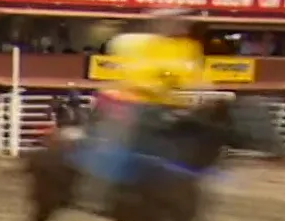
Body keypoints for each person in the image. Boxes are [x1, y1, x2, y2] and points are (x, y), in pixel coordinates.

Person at [81, 11, 205, 210]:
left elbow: (194, 79)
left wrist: (196, 96)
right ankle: (94, 193)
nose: (179, 25)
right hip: (128, 103)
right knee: (118, 144)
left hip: (159, 107)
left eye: (181, 21)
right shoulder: (137, 44)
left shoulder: (185, 48)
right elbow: (136, 78)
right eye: (173, 21)